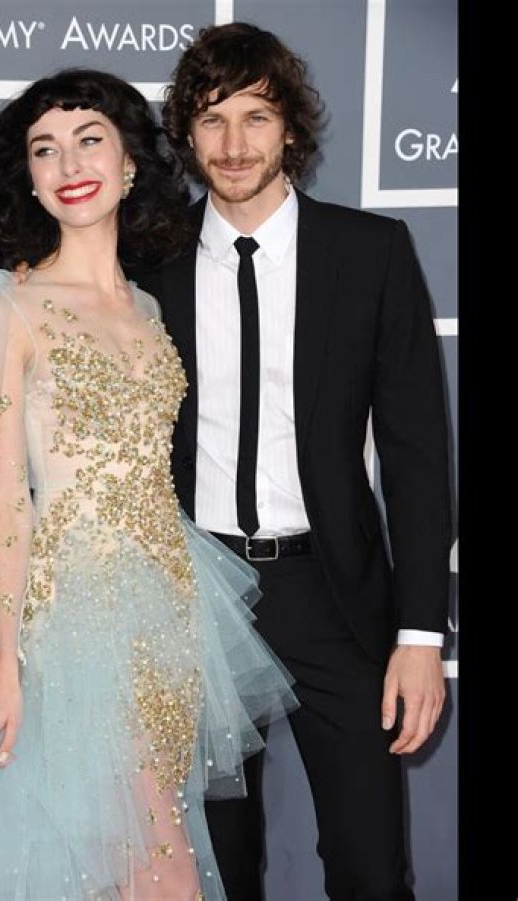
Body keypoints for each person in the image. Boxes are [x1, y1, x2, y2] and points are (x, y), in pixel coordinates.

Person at [0, 67, 298, 900]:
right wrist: (4, 666)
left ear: (130, 161)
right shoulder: (9, 308)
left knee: (127, 863)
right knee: (155, 868)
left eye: (89, 139)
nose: (69, 163)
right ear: (28, 179)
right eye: (45, 149)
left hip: (175, 611)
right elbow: (6, 498)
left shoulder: (148, 307)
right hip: (79, 617)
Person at [131, 23, 452, 901]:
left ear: (291, 129)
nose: (233, 144)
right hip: (195, 596)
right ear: (186, 134)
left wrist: (421, 637)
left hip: (333, 593)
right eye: (211, 119)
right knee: (217, 867)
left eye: (256, 117)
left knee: (369, 865)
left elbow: (419, 458)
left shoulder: (370, 253)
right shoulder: (148, 262)